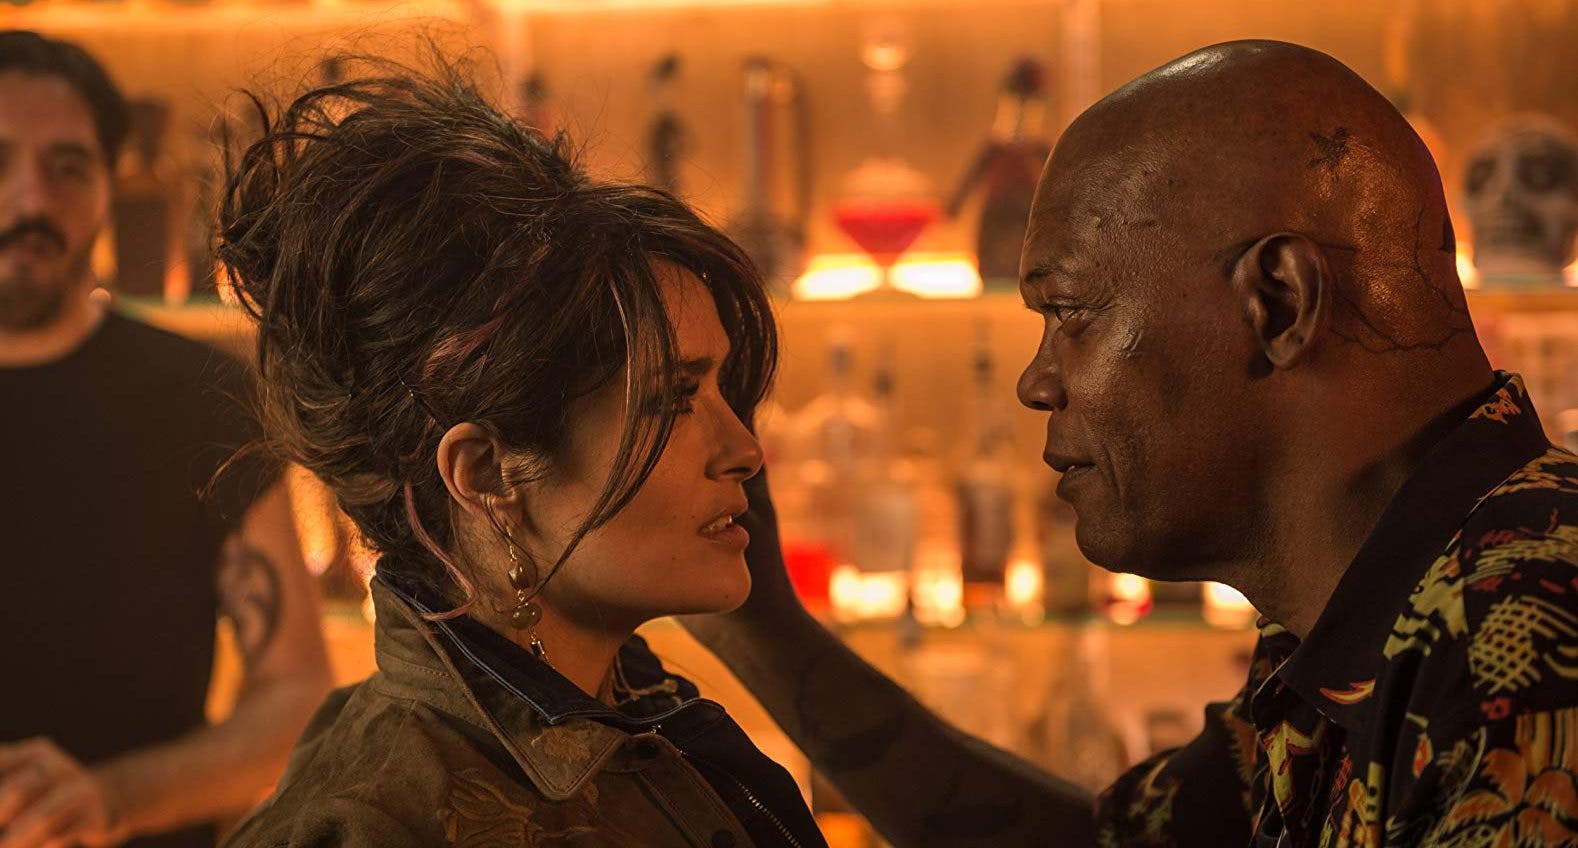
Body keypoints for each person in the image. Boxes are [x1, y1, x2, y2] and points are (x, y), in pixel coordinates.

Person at [682, 40, 1578, 847]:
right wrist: (760, 627)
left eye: (1070, 312)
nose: (1037, 381)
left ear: (1278, 304)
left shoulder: (1524, 638)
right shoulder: (1371, 610)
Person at [214, 56, 826, 848]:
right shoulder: (372, 826)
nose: (744, 449)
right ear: (486, 476)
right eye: (673, 400)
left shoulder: (649, 725)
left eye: (724, 392)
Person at [0, 31, 333, 848]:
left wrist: (111, 799)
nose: (30, 200)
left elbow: (297, 696)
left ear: (108, 186)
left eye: (68, 167)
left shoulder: (202, 396)